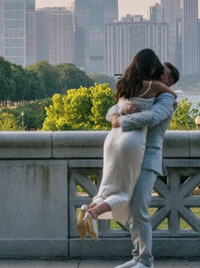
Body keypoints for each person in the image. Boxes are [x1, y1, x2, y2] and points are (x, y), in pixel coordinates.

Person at [76, 50, 178, 241]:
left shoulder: (125, 85)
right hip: (132, 143)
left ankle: (88, 209)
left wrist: (120, 113)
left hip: (112, 140)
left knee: (106, 188)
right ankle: (94, 214)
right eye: (157, 68)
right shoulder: (154, 87)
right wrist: (122, 117)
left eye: (162, 71)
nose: (158, 72)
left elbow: (111, 111)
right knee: (124, 193)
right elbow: (155, 114)